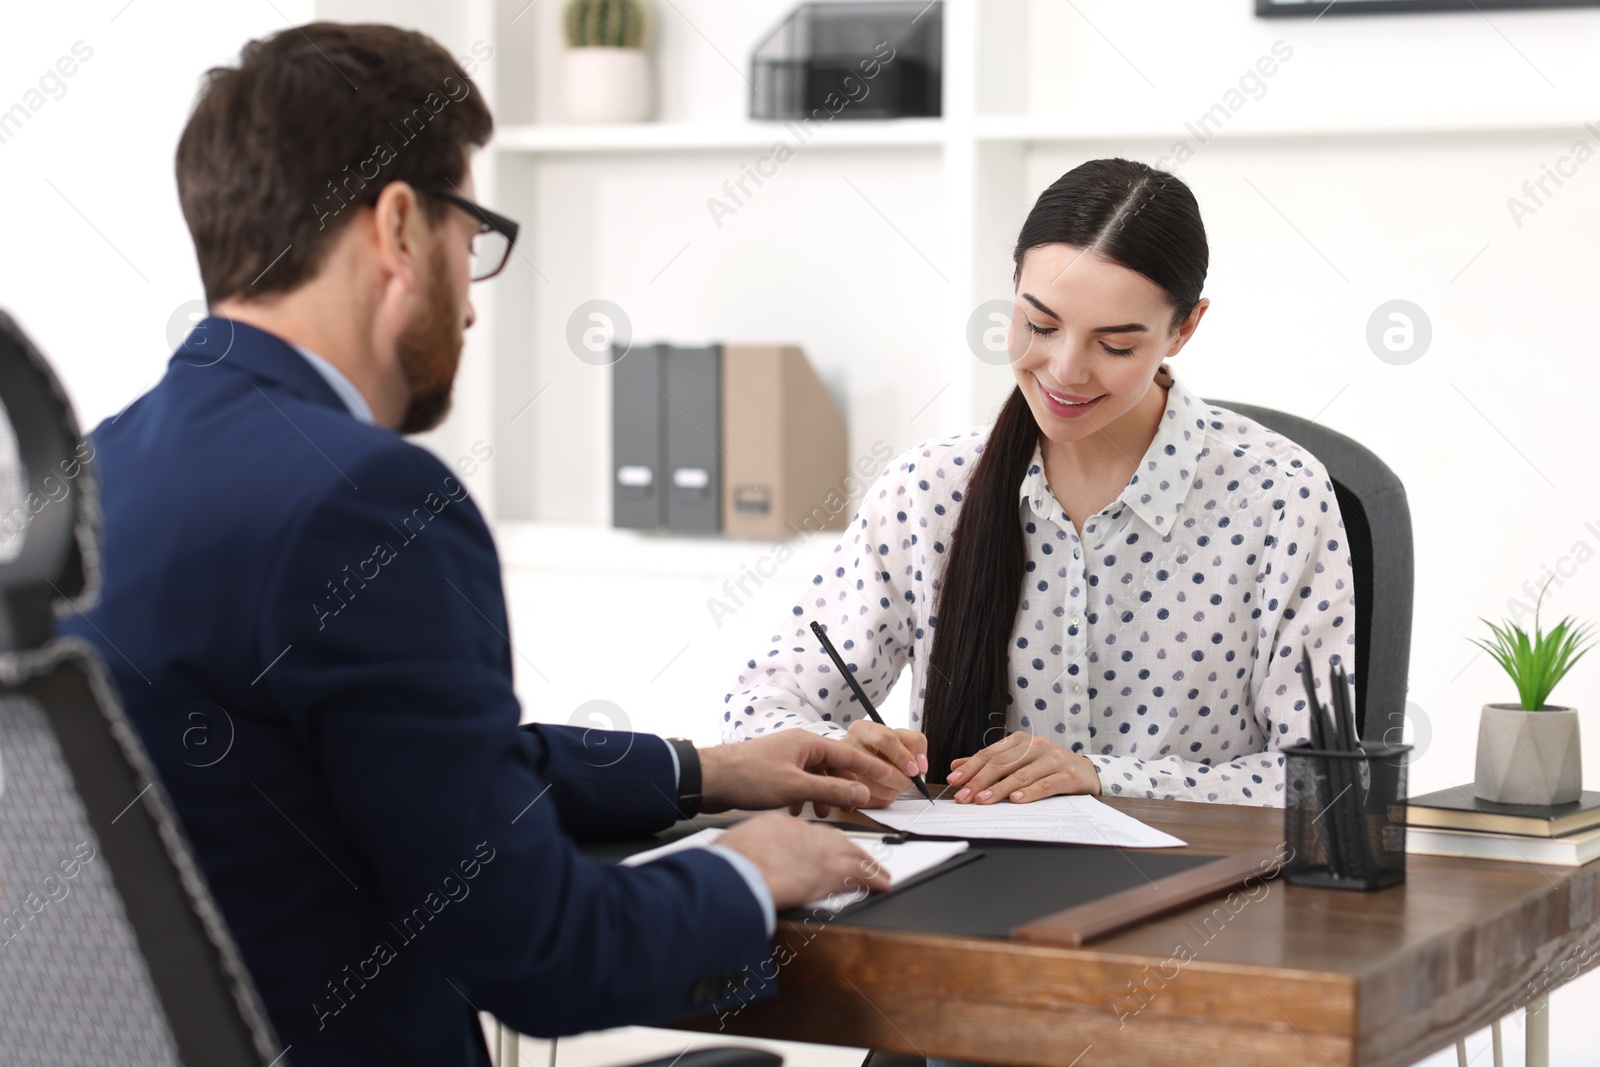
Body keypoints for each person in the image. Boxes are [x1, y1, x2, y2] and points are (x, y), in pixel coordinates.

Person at [56, 23, 907, 1067]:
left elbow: (393, 766)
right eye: (474, 239)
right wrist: (743, 871)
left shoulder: (82, 479)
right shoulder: (365, 497)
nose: (471, 296)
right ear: (401, 228)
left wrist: (703, 770)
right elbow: (538, 951)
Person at [722, 158, 1357, 809]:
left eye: (1114, 346)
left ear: (1184, 328)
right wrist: (840, 750)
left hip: (1199, 891)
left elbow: (1325, 778)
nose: (1064, 370)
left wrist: (1101, 775)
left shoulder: (1280, 496)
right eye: (1040, 325)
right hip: (973, 893)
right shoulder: (927, 490)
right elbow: (757, 708)